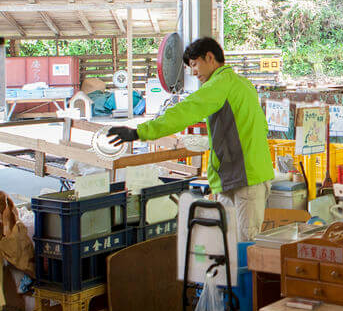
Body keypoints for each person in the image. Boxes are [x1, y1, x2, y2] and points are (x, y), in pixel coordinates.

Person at [109, 37, 273, 240]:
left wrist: (138, 132)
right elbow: (251, 127)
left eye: (195, 64)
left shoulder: (220, 84)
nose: (194, 72)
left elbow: (186, 111)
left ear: (210, 57)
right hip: (240, 175)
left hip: (246, 177)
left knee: (243, 244)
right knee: (230, 243)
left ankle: (243, 273)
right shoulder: (241, 83)